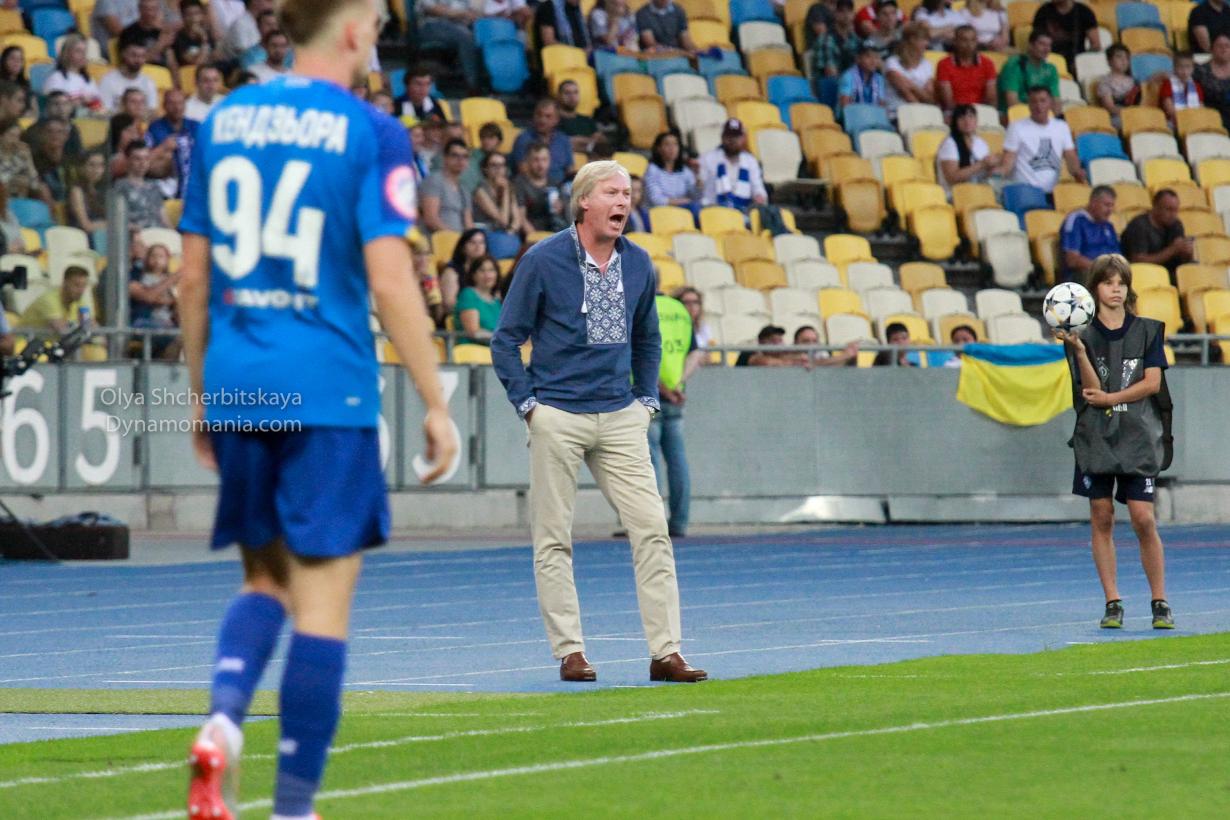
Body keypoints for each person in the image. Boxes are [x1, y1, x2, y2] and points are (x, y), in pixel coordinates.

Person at [178, 2, 457, 819]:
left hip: (241, 381)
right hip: (327, 389)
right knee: (323, 605)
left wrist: (202, 396)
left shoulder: (223, 119)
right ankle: (295, 807)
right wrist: (435, 400)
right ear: (352, 30)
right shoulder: (371, 132)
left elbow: (192, 279)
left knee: (264, 578)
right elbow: (391, 279)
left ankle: (222, 721)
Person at [491, 159, 706, 684]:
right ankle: (570, 651)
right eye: (612, 193)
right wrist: (530, 407)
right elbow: (505, 339)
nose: (623, 202)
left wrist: (645, 402)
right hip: (557, 415)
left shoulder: (639, 263)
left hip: (620, 416)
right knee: (553, 538)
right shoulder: (542, 260)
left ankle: (666, 652)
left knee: (652, 529)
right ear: (584, 200)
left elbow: (648, 337)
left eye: (627, 194)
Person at [1054, 253, 1174, 631]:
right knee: (1101, 515)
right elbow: (1090, 391)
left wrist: (1112, 398)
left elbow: (1152, 383)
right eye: (1108, 283)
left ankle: (1159, 600)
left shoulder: (1148, 331)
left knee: (1143, 518)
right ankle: (1112, 601)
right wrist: (1078, 350)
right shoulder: (1080, 336)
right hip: (1096, 438)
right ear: (1094, 290)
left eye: (1121, 283)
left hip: (1138, 437)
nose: (1116, 289)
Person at [649, 290, 705, 538]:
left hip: (648, 394)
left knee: (648, 463)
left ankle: (652, 523)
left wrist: (662, 388)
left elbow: (638, 353)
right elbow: (696, 352)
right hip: (676, 394)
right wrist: (678, 384)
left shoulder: (642, 306)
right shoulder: (680, 312)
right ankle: (680, 521)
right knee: (677, 461)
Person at [998, 85, 1085, 194]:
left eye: (1043, 101)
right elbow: (1008, 162)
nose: (1039, 106)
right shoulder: (1016, 127)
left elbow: (1070, 156)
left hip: (1054, 193)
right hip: (1025, 192)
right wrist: (996, 174)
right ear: (1029, 104)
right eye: (1034, 102)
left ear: (1050, 103)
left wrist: (1077, 171)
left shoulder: (1062, 127)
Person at [1121, 188, 1193, 278]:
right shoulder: (1139, 226)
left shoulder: (1176, 224)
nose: (1173, 215)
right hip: (1144, 274)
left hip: (1169, 272)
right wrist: (1172, 250)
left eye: (1175, 210)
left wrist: (1187, 252)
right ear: (1155, 207)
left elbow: (1182, 258)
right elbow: (1138, 261)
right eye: (1168, 209)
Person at [129, 242, 182, 360]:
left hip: (167, 321)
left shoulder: (170, 279)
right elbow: (150, 297)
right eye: (153, 256)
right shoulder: (140, 275)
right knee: (176, 337)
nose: (157, 260)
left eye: (161, 256)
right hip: (143, 321)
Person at [699, 118, 767, 211]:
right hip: (714, 209)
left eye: (736, 136)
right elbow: (700, 190)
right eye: (729, 136)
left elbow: (757, 187)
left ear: (743, 138)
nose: (732, 140)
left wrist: (759, 196)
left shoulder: (750, 161)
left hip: (744, 210)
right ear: (722, 137)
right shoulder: (707, 158)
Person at [418, 0, 484, 95]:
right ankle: (473, 87)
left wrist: (472, 15)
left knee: (483, 33)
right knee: (465, 37)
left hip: (459, 26)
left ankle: (492, 82)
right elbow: (431, 8)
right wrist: (460, 13)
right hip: (433, 25)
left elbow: (470, 11)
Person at [936, 104, 997, 197]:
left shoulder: (980, 143)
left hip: (978, 191)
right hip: (955, 195)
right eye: (961, 117)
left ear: (976, 121)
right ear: (955, 122)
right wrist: (981, 164)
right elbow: (952, 177)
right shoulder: (949, 144)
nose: (967, 121)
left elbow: (986, 171)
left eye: (970, 116)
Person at [1061, 185, 1119, 281]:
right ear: (1093, 203)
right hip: (1083, 275)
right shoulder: (1076, 220)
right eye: (1106, 205)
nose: (1110, 210)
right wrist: (1102, 269)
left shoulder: (1108, 225)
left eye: (1112, 205)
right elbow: (1072, 260)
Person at [510, 98, 574, 186]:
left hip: (560, 188)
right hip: (532, 188)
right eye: (539, 115)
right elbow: (523, 171)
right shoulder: (523, 139)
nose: (542, 120)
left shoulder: (563, 140)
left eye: (548, 116)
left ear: (556, 120)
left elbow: (569, 170)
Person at [936, 25, 997, 113]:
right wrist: (965, 115)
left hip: (981, 111)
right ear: (955, 42)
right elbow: (948, 101)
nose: (969, 44)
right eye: (964, 40)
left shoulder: (988, 63)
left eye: (973, 40)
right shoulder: (944, 64)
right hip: (955, 112)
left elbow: (991, 98)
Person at [997, 30, 1060, 113]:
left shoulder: (1051, 69)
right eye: (1042, 44)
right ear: (1030, 45)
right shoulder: (1014, 65)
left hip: (1039, 115)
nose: (1046, 49)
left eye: (1049, 45)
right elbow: (1012, 103)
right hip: (1014, 115)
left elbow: (1056, 101)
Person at [420, 138, 474, 233]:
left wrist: (470, 238)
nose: (460, 160)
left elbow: (468, 222)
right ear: (445, 158)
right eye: (455, 155)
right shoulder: (434, 181)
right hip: (438, 239)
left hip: (460, 239)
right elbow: (431, 219)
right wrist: (455, 238)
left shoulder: (464, 189)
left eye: (465, 157)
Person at [883, 22, 935, 121]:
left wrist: (911, 85)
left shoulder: (927, 64)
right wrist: (923, 112)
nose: (926, 44)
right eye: (923, 39)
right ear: (912, 39)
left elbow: (930, 98)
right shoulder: (892, 62)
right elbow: (906, 93)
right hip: (897, 113)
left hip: (922, 113)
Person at [1031, 0, 1098, 77]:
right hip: (1049, 63)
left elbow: (1096, 45)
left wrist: (1081, 62)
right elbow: (1035, 43)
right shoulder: (1043, 11)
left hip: (1076, 66)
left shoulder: (1084, 12)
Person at [515, 141, 568, 231]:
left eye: (544, 159)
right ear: (528, 161)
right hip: (531, 233)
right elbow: (521, 217)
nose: (540, 165)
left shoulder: (556, 183)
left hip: (554, 230)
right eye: (536, 160)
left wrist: (561, 206)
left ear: (549, 160)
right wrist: (535, 237)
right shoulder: (519, 183)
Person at [112, 141, 167, 229]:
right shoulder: (121, 186)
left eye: (146, 158)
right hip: (136, 233)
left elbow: (163, 217)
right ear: (127, 160)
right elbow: (117, 219)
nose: (143, 163)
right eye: (137, 159)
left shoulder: (155, 186)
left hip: (159, 232)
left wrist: (174, 233)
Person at [42, 35, 103, 112]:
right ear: (67, 53)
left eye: (85, 51)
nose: (83, 55)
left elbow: (99, 104)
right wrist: (82, 101)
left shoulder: (89, 80)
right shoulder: (56, 78)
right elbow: (54, 107)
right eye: (78, 51)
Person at [19, 265, 91, 331]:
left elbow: (90, 326)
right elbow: (61, 329)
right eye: (76, 285)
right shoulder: (49, 300)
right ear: (65, 283)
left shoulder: (78, 299)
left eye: (84, 285)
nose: (81, 290)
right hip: (24, 339)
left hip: (50, 340)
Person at [472, 151, 526, 235]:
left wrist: (510, 231)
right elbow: (503, 220)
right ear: (485, 169)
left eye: (502, 165)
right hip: (484, 233)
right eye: (494, 165)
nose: (498, 169)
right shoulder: (480, 191)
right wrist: (505, 191)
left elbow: (517, 219)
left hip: (503, 233)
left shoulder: (509, 186)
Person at [644, 130, 699, 211]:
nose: (672, 148)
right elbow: (656, 199)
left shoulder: (685, 170)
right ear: (658, 149)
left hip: (683, 211)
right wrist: (682, 201)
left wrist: (697, 177)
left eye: (675, 144)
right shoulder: (652, 169)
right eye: (667, 144)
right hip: (660, 212)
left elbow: (696, 197)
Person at [99, 41, 159, 114]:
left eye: (142, 56)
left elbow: (152, 111)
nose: (138, 60)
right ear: (123, 54)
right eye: (134, 55)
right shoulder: (108, 80)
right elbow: (105, 110)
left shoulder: (148, 82)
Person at [455, 254, 502, 344]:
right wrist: (502, 339)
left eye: (491, 270)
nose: (487, 275)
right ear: (473, 275)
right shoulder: (468, 295)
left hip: (496, 348)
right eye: (482, 270)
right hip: (474, 349)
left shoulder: (496, 302)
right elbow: (474, 332)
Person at [442, 227, 487, 318]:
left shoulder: (489, 271)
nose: (478, 247)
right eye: (472, 242)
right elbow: (449, 304)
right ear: (463, 247)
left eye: (481, 242)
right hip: (461, 317)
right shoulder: (452, 271)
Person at [120, 0, 179, 69]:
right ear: (139, 9)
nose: (149, 13)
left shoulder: (161, 31)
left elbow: (171, 61)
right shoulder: (129, 33)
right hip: (141, 72)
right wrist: (160, 44)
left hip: (163, 72)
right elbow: (134, 62)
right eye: (146, 8)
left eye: (153, 9)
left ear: (158, 10)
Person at [812, 0, 861, 80]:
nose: (846, 15)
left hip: (851, 83)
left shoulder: (855, 39)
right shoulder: (825, 40)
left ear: (853, 14)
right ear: (835, 14)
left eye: (849, 11)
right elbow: (831, 74)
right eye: (841, 11)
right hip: (830, 85)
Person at [1096, 45, 1140, 132]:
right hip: (1118, 117)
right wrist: (1129, 113)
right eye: (1119, 57)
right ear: (1109, 61)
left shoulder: (1134, 81)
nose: (1124, 61)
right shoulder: (1105, 82)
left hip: (1136, 114)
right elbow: (1110, 107)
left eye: (1126, 58)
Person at [0, 116, 44, 202]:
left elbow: (35, 185)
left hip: (18, 201)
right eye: (11, 135)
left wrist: (29, 159)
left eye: (17, 136)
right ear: (1, 136)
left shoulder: (20, 157)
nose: (14, 140)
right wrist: (13, 181)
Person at [837, 44, 887, 118]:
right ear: (858, 59)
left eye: (876, 57)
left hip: (872, 117)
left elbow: (881, 104)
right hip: (850, 118)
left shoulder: (879, 78)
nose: (873, 61)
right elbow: (845, 105)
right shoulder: (848, 76)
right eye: (868, 57)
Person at [1159, 52, 1204, 131]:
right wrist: (1184, 120)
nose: (1184, 71)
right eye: (1181, 67)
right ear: (1174, 68)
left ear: (1193, 68)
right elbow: (1169, 108)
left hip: (1193, 121)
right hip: (1173, 122)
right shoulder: (1168, 84)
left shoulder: (1196, 86)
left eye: (1188, 67)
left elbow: (1200, 106)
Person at [557, 79, 603, 154]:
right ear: (559, 96)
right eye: (567, 93)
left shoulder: (587, 120)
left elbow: (601, 141)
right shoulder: (553, 120)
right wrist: (589, 142)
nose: (572, 97)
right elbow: (561, 144)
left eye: (575, 92)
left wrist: (579, 140)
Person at [1196, 33, 1230, 132]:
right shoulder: (1200, 70)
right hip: (1208, 115)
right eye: (1219, 46)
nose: (1224, 49)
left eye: (1227, 46)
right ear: (1212, 49)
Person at [69, 151, 109, 235]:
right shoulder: (76, 191)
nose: (96, 170)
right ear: (82, 167)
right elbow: (86, 226)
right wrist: (112, 224)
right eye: (91, 165)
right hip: (82, 237)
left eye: (100, 165)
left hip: (101, 234)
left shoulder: (98, 191)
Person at [175, 0, 217, 67]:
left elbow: (215, 58)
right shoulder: (179, 38)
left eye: (197, 13)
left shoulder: (209, 34)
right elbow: (197, 64)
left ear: (202, 15)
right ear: (183, 17)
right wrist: (204, 39)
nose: (193, 18)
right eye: (189, 14)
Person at [794, 324, 858, 367]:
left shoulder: (821, 353)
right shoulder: (791, 354)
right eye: (806, 341)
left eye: (815, 341)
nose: (811, 344)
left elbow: (831, 365)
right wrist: (845, 355)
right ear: (796, 342)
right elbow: (815, 364)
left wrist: (851, 357)